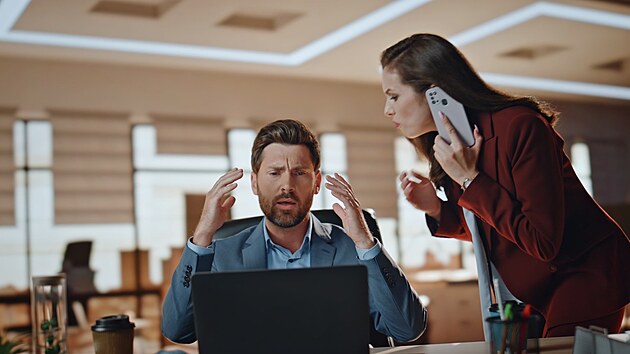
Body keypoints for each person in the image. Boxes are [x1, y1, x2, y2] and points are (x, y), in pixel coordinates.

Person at [380, 33, 629, 338]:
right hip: (535, 287)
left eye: (393, 95)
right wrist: (436, 208)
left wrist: (470, 179)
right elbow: (495, 228)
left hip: (586, 274)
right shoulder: (451, 144)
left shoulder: (521, 126)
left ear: (435, 92)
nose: (387, 110)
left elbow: (541, 240)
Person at [162, 119, 426, 344]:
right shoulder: (222, 254)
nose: (286, 185)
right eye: (275, 173)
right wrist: (202, 237)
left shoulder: (353, 249)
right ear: (254, 182)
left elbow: (407, 329)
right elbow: (178, 331)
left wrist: (365, 242)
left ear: (317, 182)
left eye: (299, 173)